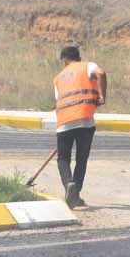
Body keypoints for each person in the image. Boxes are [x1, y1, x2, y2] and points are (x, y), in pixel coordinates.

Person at [54, 45, 108, 209]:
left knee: (63, 158)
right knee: (81, 159)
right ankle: (75, 193)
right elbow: (101, 73)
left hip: (64, 122)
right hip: (85, 121)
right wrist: (102, 96)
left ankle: (69, 184)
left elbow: (58, 100)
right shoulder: (88, 66)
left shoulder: (58, 77)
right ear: (78, 57)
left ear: (64, 60)